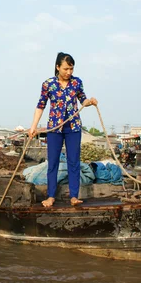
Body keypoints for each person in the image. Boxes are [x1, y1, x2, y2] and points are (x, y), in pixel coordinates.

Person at [28, 52, 97, 207]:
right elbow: (40, 106)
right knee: (53, 162)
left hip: (73, 127)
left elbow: (82, 99)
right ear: (57, 67)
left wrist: (89, 102)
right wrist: (33, 127)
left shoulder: (77, 83)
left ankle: (74, 196)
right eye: (66, 69)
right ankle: (50, 196)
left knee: (74, 162)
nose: (69, 72)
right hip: (54, 128)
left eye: (71, 69)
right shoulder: (48, 84)